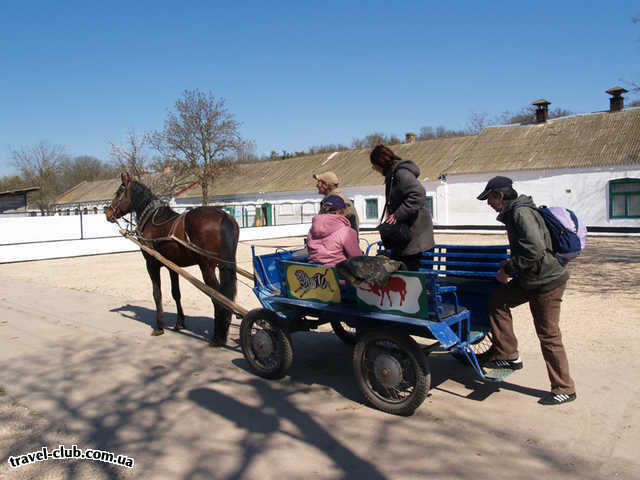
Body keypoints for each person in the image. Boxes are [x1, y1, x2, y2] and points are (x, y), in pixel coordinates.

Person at [477, 175, 576, 405]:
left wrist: (508, 269)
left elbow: (534, 251)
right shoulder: (516, 212)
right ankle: (509, 355)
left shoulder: (521, 213)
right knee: (498, 300)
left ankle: (564, 388)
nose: (488, 203)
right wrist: (510, 265)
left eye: (489, 198)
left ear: (499, 195)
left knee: (549, 335)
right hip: (531, 279)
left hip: (546, 282)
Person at [369, 144, 434, 271]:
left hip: (415, 238)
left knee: (409, 279)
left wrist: (397, 215)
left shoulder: (401, 174)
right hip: (407, 237)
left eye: (374, 166)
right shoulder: (393, 175)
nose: (374, 169)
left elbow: (418, 194)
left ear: (380, 164)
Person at [307, 195, 363, 266]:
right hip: (339, 274)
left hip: (315, 273)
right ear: (341, 211)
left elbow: (310, 252)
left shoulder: (312, 230)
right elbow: (357, 258)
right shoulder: (347, 232)